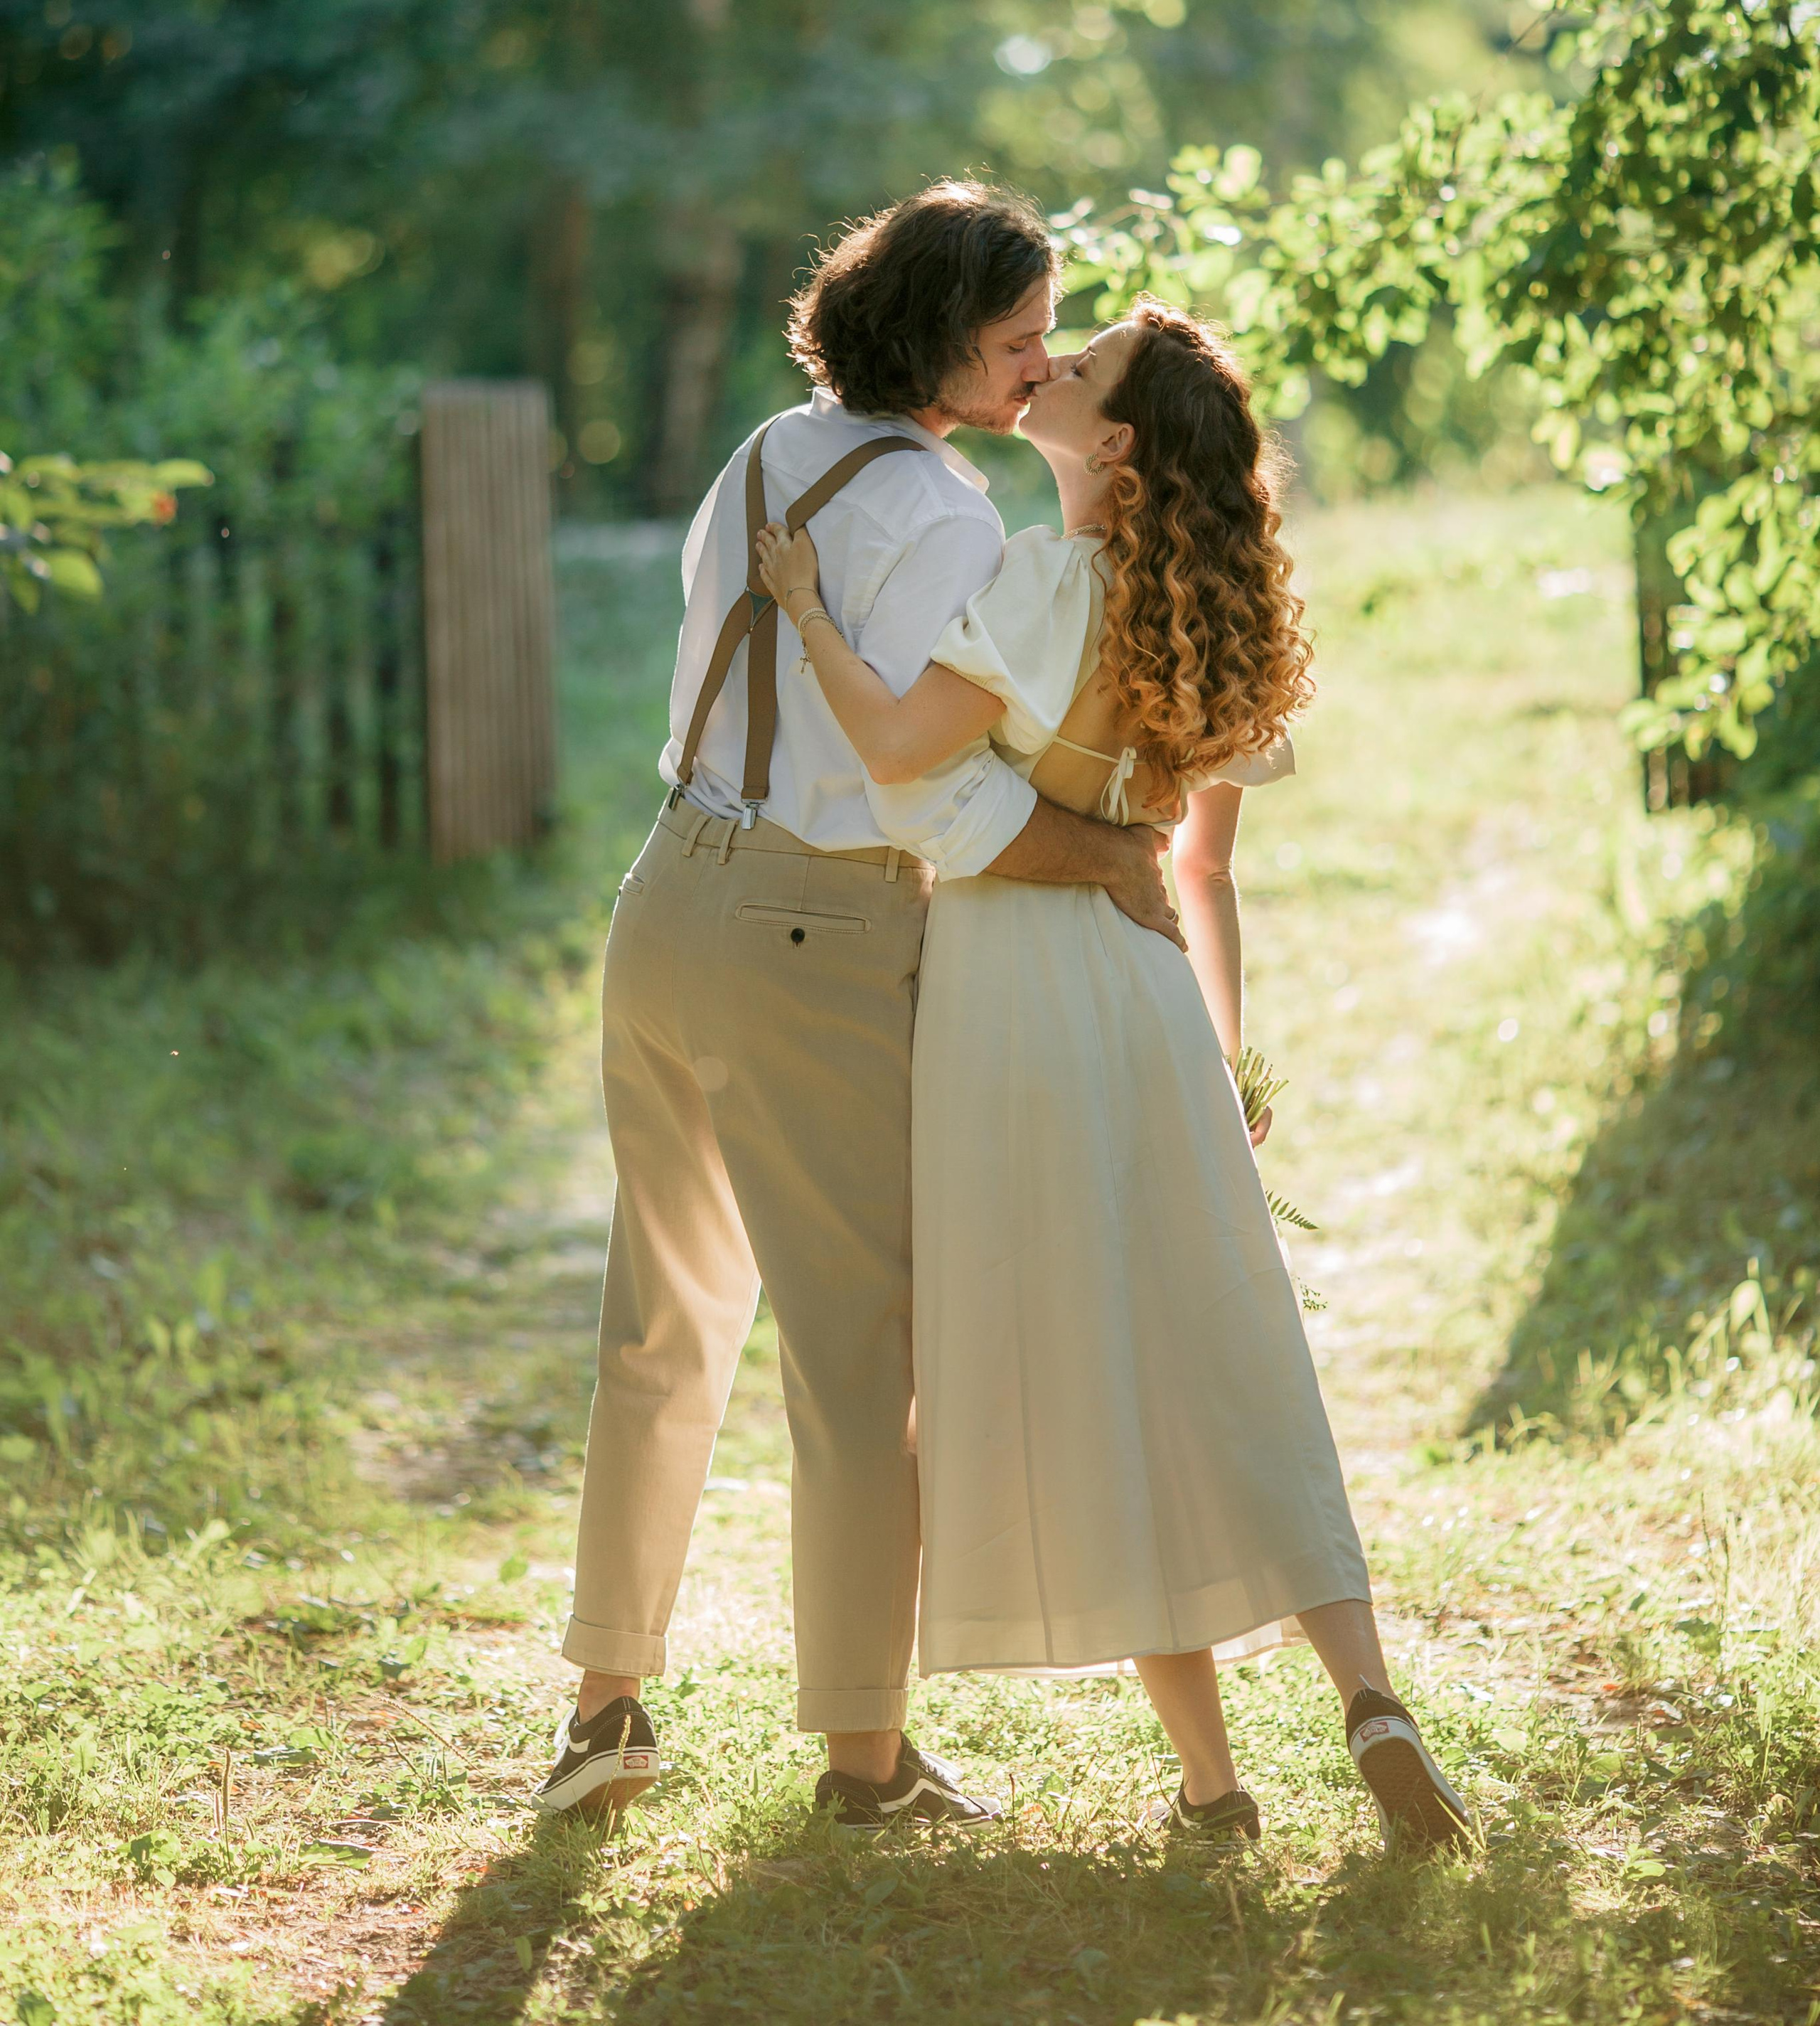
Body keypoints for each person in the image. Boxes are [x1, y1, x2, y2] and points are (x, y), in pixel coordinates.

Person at [756, 298, 1472, 1853]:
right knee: (1225, 1353)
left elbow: (890, 750)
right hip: (1150, 1003)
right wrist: (1226, 1052)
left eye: (1075, 373)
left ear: (1118, 444)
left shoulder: (1036, 581)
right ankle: (1366, 1697)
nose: (1047, 369)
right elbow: (1198, 875)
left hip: (1011, 990)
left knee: (1100, 1372)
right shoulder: (1211, 625)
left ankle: (1217, 1786)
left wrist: (804, 609)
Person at [539, 181, 1184, 1829]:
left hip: (662, 890)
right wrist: (1105, 850)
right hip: (809, 929)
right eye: (1020, 337)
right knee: (860, 1364)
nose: (1041, 367)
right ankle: (861, 1761)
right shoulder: (955, 517)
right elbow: (920, 783)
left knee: (657, 1326)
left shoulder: (763, 450)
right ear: (935, 337)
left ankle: (605, 1711)